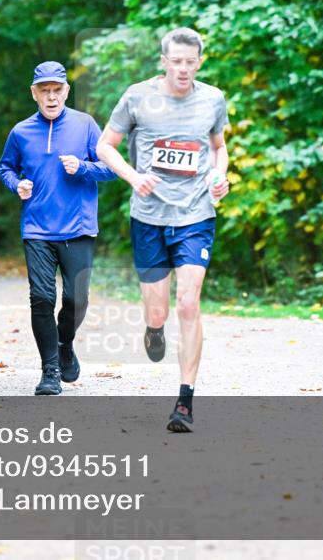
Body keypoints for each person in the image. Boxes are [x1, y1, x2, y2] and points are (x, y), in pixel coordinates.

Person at [96, 28, 230, 432]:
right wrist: (134, 177)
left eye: (191, 62)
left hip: (195, 214)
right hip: (149, 217)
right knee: (159, 310)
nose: (184, 69)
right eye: (177, 61)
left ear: (200, 62)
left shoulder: (213, 99)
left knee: (188, 303)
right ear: (163, 61)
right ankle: (154, 329)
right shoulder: (138, 97)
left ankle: (184, 402)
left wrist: (220, 177)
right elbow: (105, 145)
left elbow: (218, 147)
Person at [0, 61, 117, 395]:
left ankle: (65, 344)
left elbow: (111, 168)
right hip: (36, 228)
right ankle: (49, 370)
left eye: (56, 90)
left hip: (78, 227)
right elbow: (5, 168)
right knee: (41, 298)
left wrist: (83, 168)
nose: (51, 97)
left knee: (76, 299)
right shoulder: (20, 132)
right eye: (44, 91)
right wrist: (16, 184)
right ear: (34, 94)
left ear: (67, 90)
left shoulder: (86, 125)